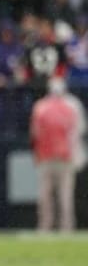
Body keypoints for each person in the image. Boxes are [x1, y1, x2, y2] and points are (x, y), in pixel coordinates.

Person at [30, 76, 87, 232]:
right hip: (60, 156)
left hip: (54, 156)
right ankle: (61, 226)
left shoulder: (42, 106)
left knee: (52, 195)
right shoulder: (70, 106)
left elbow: (35, 133)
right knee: (61, 195)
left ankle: (49, 226)